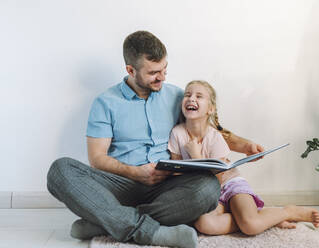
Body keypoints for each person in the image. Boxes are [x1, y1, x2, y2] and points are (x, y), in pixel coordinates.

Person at [46, 31, 263, 248]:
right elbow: (97, 159)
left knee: (207, 187)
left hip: (165, 187)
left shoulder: (177, 96)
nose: (162, 77)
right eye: (153, 72)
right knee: (60, 170)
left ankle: (107, 222)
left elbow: (209, 128)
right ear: (131, 70)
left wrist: (245, 146)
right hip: (119, 184)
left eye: (164, 70)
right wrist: (135, 173)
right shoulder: (105, 103)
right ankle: (150, 232)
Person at [168, 80, 319, 236]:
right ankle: (263, 217)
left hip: (228, 184)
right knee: (204, 224)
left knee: (251, 227)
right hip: (207, 195)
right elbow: (175, 173)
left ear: (210, 109)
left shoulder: (215, 137)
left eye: (199, 96)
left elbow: (216, 182)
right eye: (187, 94)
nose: (191, 98)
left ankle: (288, 212)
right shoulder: (177, 133)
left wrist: (196, 156)